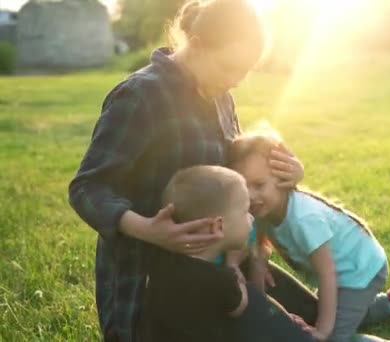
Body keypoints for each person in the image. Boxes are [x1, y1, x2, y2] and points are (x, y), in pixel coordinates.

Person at [68, 1, 304, 340]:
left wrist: (287, 175)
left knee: (301, 309)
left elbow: (235, 174)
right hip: (153, 279)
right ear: (195, 43)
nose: (236, 81)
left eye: (245, 71)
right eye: (229, 66)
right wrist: (148, 229)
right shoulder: (140, 96)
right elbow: (87, 188)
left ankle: (371, 307)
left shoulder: (221, 97)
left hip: (218, 263)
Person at [229, 133, 390, 342]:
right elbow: (258, 258)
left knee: (332, 337)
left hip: (360, 271)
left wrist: (323, 329)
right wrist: (260, 312)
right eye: (243, 186)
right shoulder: (262, 211)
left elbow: (327, 273)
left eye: (259, 185)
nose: (250, 196)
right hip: (341, 272)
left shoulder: (304, 219)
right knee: (341, 314)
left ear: (283, 179)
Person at [140, 165, 313, 342]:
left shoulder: (164, 263)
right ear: (218, 226)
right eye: (246, 212)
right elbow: (245, 306)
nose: (251, 218)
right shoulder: (220, 279)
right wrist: (233, 266)